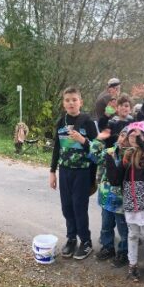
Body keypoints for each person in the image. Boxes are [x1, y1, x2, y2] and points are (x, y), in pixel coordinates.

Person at [104, 121, 144, 282]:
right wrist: (109, 160)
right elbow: (115, 180)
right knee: (133, 235)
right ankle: (133, 266)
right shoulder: (127, 156)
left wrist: (142, 141)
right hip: (131, 203)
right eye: (131, 134)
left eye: (138, 134)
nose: (133, 136)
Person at [49, 87, 98, 260]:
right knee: (67, 207)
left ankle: (86, 241)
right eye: (67, 100)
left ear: (80, 102)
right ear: (63, 103)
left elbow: (97, 149)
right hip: (65, 172)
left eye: (74, 99)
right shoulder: (61, 122)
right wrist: (52, 171)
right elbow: (57, 148)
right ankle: (71, 239)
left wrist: (83, 140)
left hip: (82, 172)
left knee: (79, 207)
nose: (71, 102)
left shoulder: (88, 122)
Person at [90, 127, 129, 266]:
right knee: (106, 226)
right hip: (106, 198)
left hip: (122, 202)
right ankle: (108, 248)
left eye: (127, 137)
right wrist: (99, 139)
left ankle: (124, 252)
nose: (123, 139)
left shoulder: (131, 156)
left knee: (124, 229)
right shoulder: (109, 152)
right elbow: (94, 156)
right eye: (122, 135)